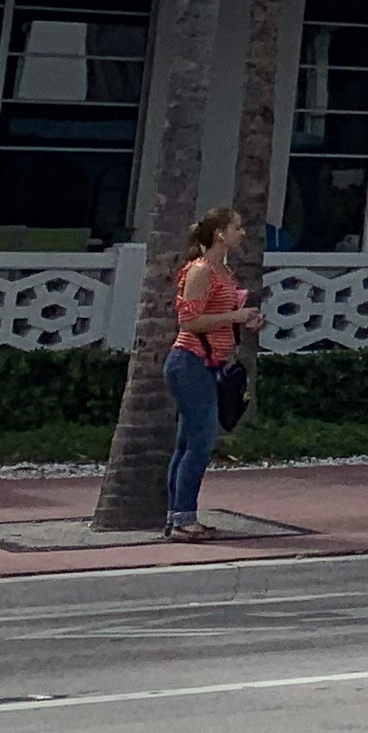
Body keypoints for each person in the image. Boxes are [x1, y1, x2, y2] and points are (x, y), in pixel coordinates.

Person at [164, 205, 254, 543]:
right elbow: (189, 322)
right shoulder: (200, 271)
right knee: (200, 442)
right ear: (220, 234)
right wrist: (235, 317)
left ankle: (179, 516)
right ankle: (183, 518)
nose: (241, 233)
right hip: (189, 361)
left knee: (189, 442)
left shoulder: (225, 273)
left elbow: (224, 314)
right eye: (236, 228)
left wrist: (244, 317)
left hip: (208, 363)